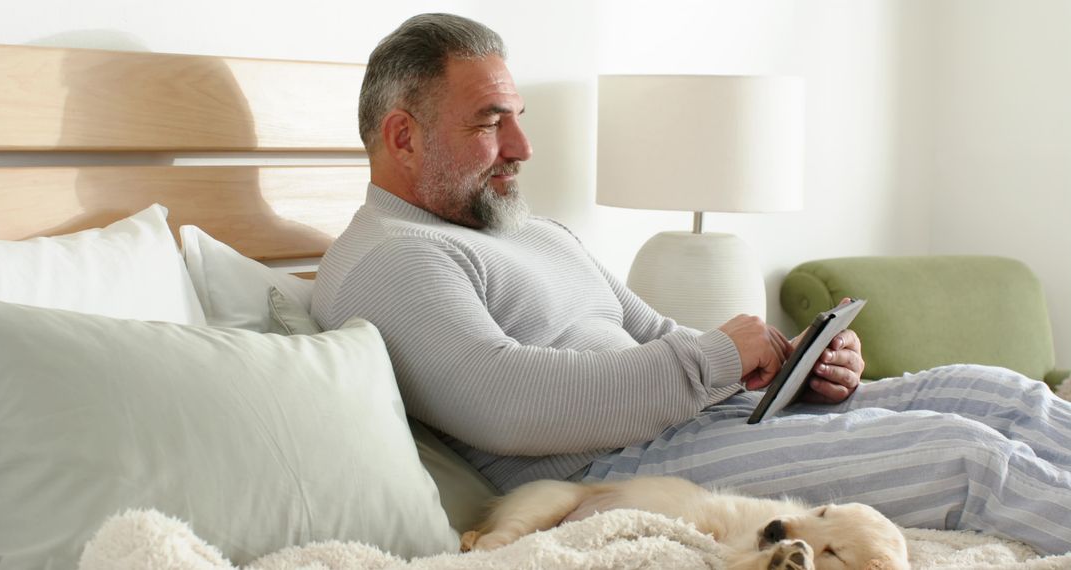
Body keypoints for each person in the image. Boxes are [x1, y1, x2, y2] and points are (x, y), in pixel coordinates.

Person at [312, 13, 1071, 556]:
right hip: (624, 469)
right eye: (490, 122)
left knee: (999, 395)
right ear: (403, 136)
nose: (523, 146)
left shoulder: (522, 229)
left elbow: (657, 339)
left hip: (711, 422)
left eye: (518, 117)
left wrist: (787, 368)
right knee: (966, 455)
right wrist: (714, 359)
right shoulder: (391, 259)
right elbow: (512, 401)